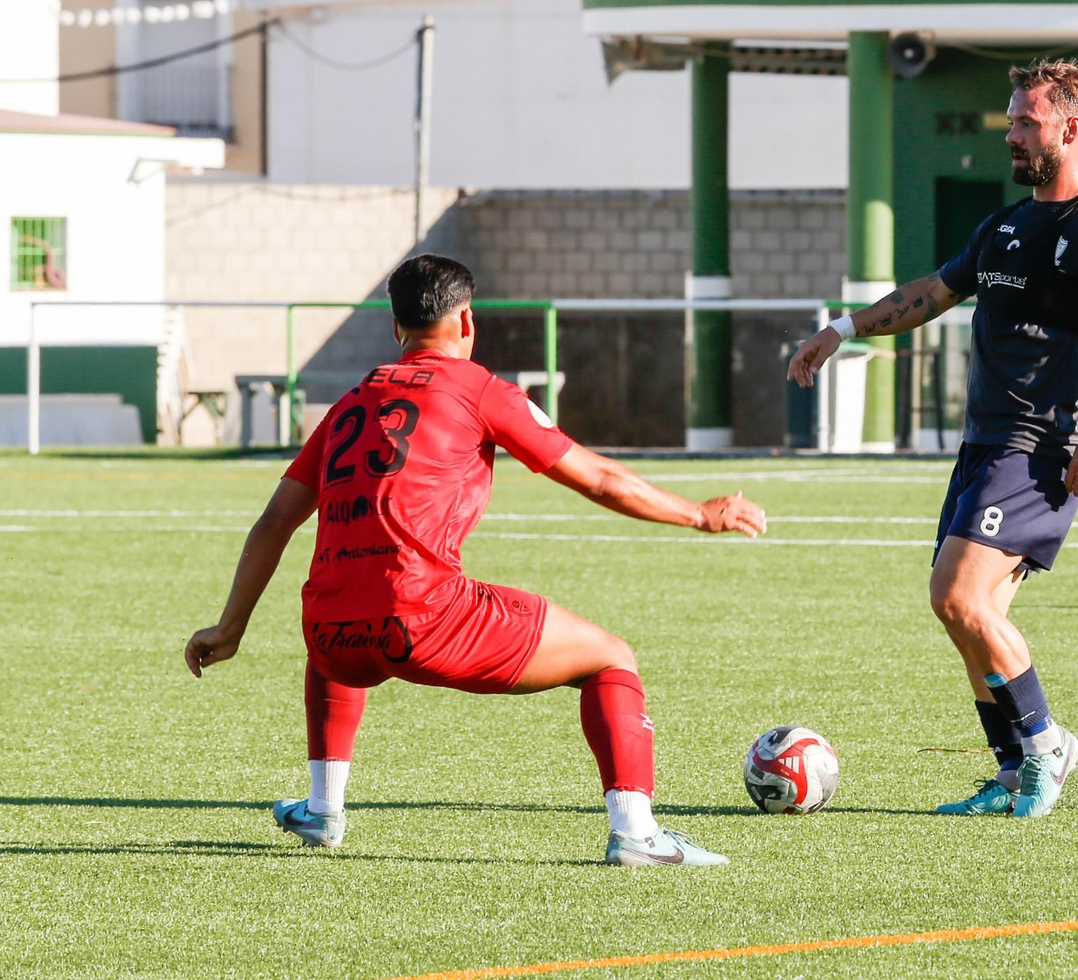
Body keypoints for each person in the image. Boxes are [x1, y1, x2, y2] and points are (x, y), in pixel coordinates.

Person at [184, 254, 766, 866]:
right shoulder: (480, 389)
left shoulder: (349, 404)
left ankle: (322, 808)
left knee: (341, 606)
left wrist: (231, 627)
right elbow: (595, 478)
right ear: (467, 320)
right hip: (424, 619)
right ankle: (637, 834)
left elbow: (274, 522)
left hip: (330, 634)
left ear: (395, 327)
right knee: (610, 658)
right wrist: (699, 514)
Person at [787, 57, 1078, 819]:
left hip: (1035, 451)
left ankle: (1048, 745)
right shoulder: (1004, 226)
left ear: (1071, 128)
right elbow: (934, 291)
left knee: (959, 599)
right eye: (1012, 119)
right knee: (965, 618)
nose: (1012, 134)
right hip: (983, 450)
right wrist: (842, 329)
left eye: (1026, 120)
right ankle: (1013, 768)